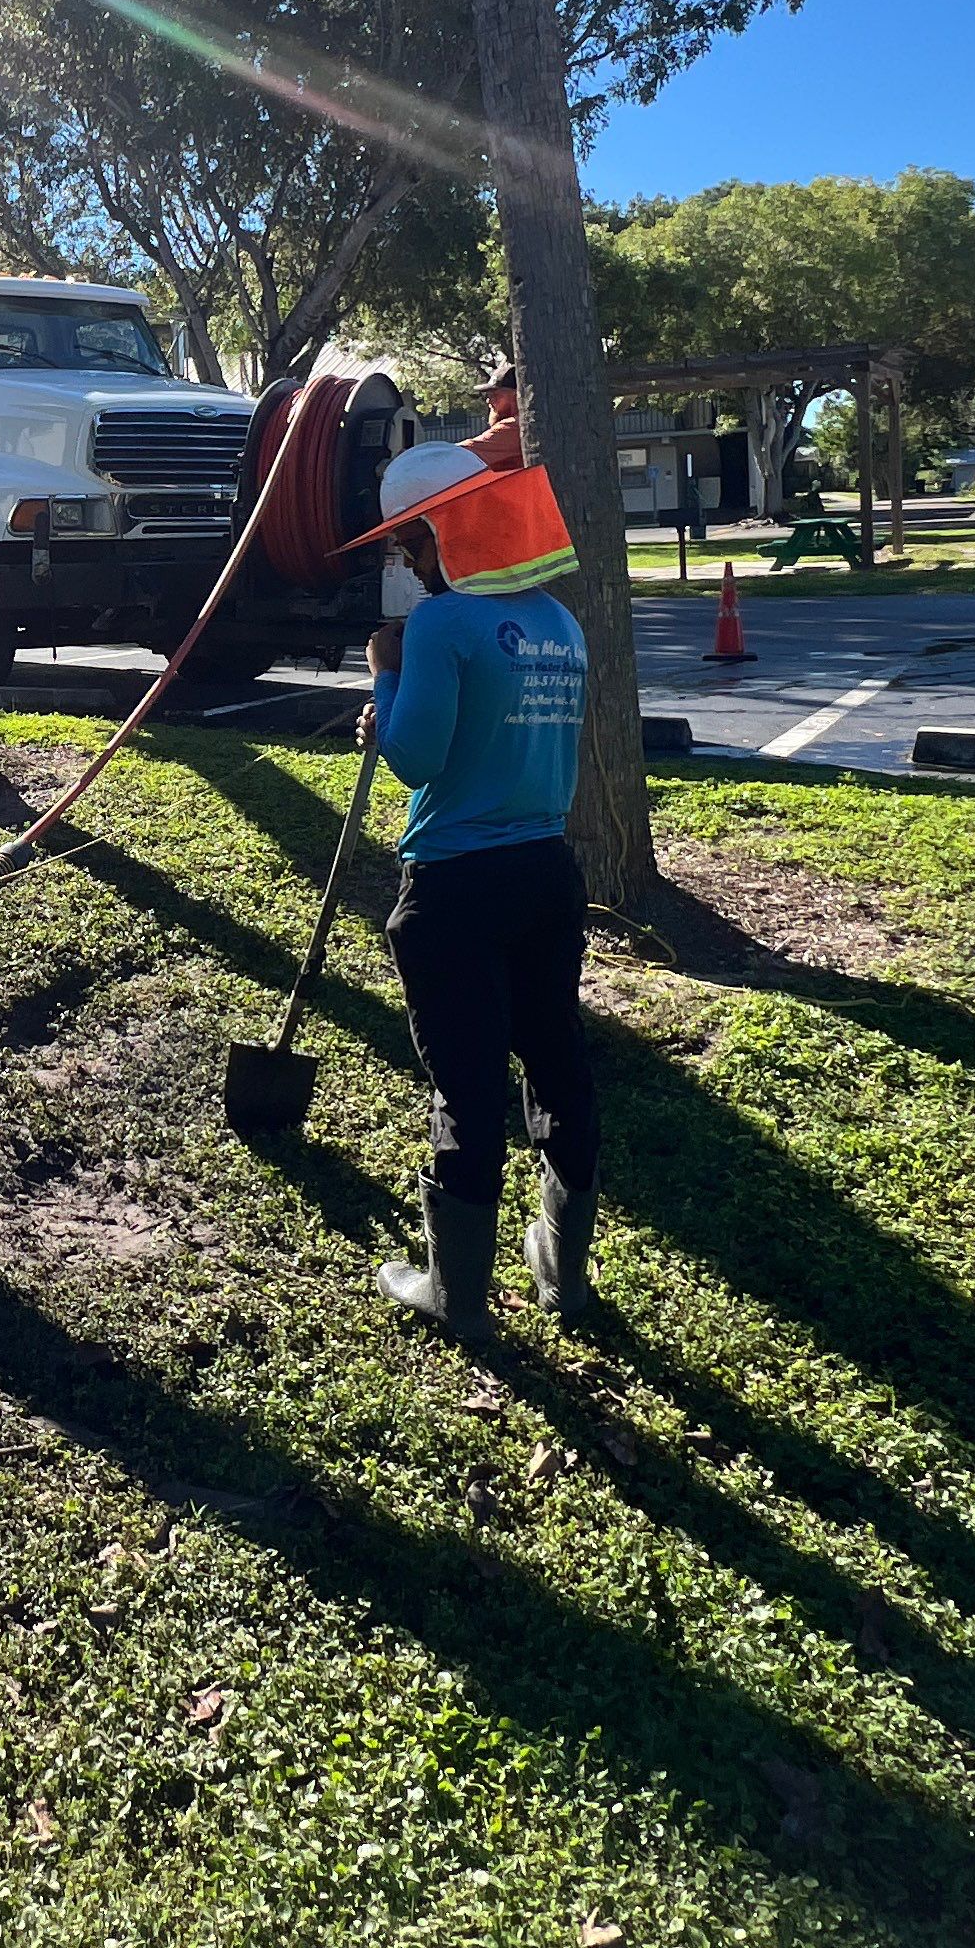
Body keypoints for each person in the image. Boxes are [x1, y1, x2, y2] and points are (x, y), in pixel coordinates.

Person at [353, 438, 600, 1338]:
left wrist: (387, 667)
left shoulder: (441, 627)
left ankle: (456, 1296)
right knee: (555, 1059)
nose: (406, 565)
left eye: (407, 545)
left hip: (455, 885)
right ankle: (564, 1277)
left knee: (465, 1085)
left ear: (441, 533)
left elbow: (417, 758)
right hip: (547, 875)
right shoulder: (558, 624)